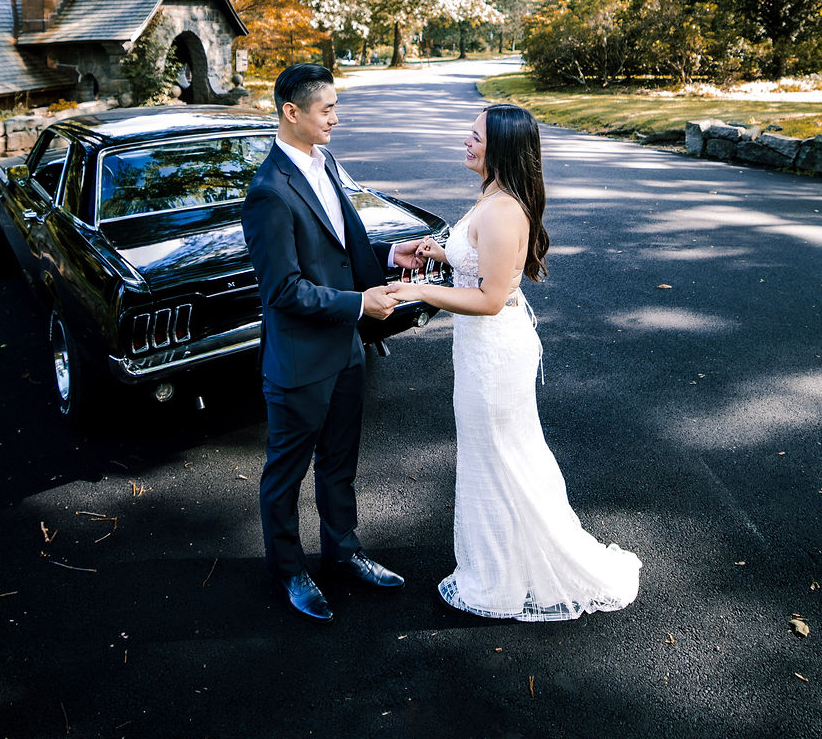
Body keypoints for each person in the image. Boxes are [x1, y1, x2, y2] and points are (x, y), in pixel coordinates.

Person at [388, 103, 642, 620]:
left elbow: (489, 297)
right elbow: (476, 255)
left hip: (495, 353)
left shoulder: (504, 209)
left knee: (502, 455)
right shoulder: (494, 195)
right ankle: (499, 558)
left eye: (476, 136)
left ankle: (504, 576)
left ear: (501, 147)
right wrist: (436, 254)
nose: (466, 141)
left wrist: (416, 292)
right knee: (494, 453)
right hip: (480, 348)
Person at [241, 62, 427, 622]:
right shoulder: (269, 192)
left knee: (340, 462)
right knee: (285, 474)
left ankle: (344, 553)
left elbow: (343, 243)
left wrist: (389, 257)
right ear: (291, 113)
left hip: (346, 351)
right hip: (299, 361)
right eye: (327, 109)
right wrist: (358, 305)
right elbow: (283, 291)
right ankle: (290, 570)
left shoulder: (325, 161)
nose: (336, 119)